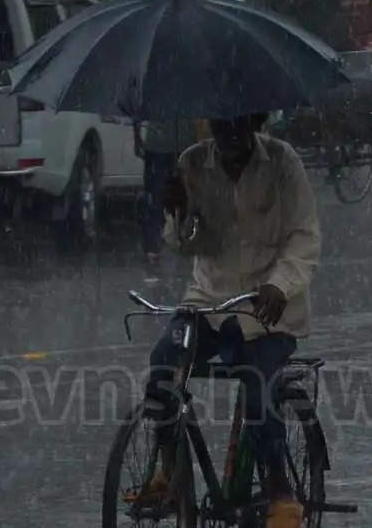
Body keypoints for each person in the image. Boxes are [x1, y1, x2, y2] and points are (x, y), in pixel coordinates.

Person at [131, 112, 320, 528]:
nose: (228, 134)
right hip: (209, 302)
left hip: (269, 308)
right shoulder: (193, 163)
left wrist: (280, 284)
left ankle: (280, 492)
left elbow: (304, 236)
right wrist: (178, 214)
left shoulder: (283, 162)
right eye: (220, 124)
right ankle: (167, 469)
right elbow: (189, 246)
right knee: (163, 364)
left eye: (237, 124)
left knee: (258, 390)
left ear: (255, 121)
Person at [136, 115, 210, 280]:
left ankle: (157, 248)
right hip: (178, 143)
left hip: (162, 143)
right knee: (178, 197)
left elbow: (139, 110)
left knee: (158, 197)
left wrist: (137, 134)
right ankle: (172, 244)